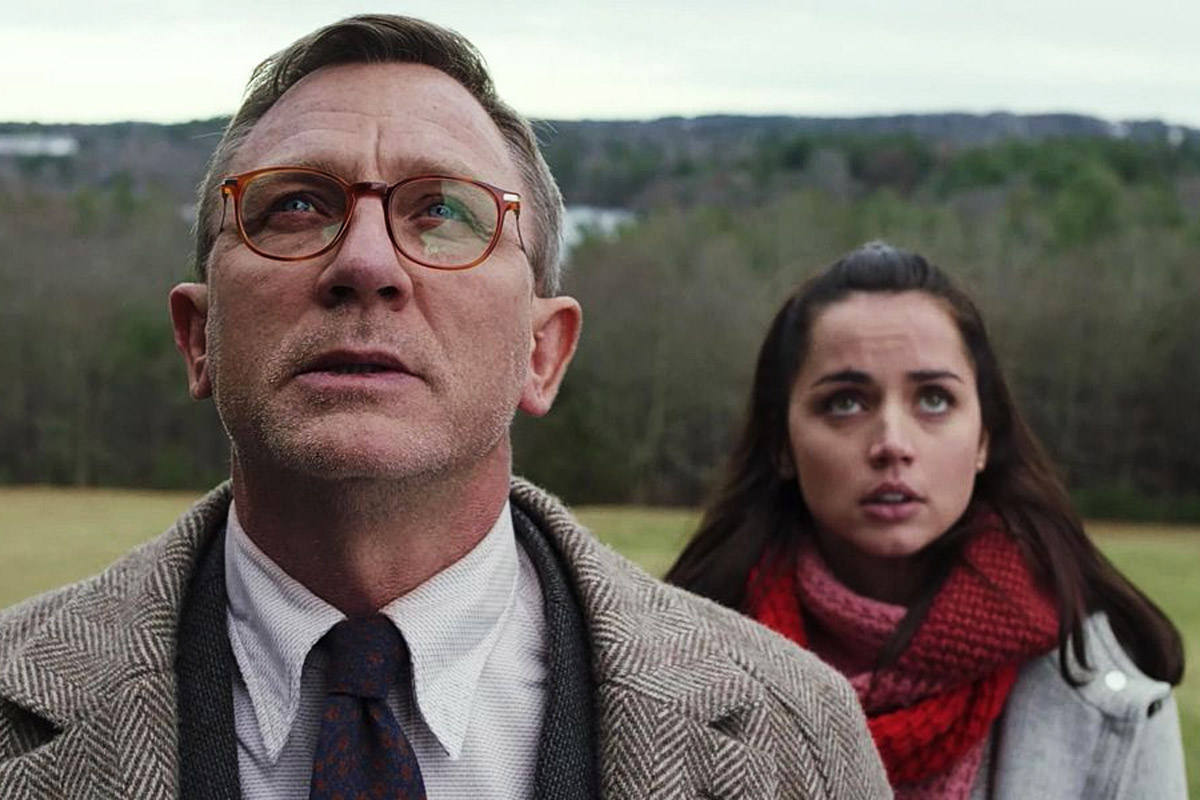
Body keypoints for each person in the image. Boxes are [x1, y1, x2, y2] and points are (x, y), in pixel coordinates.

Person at [0, 15, 891, 799]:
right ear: (200, 336)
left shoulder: (793, 737)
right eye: (297, 206)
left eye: (444, 214)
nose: (366, 265)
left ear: (542, 355)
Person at [667, 242, 1188, 799]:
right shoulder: (680, 675)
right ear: (782, 445)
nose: (893, 443)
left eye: (934, 400)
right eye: (845, 403)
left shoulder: (1105, 701)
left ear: (984, 436)